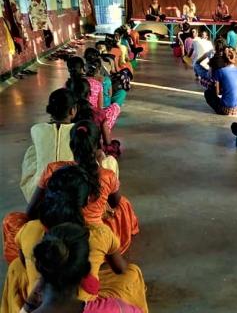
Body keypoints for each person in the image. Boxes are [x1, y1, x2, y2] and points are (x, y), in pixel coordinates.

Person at [26, 120, 139, 255]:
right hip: (95, 237)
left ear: (71, 145)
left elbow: (31, 211)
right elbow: (115, 203)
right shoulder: (107, 175)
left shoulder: (53, 169)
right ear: (99, 146)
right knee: (124, 204)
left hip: (58, 233)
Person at [16, 222, 145, 312]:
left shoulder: (29, 228)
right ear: (85, 271)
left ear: (40, 266)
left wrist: (26, 307)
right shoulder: (118, 309)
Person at [18, 89, 76, 203]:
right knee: (106, 161)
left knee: (32, 152)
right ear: (72, 111)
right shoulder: (80, 131)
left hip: (39, 196)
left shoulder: (36, 129)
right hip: (74, 196)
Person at [204, 48, 237, 116]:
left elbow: (218, 93)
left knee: (207, 93)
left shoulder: (220, 71)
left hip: (225, 110)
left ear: (224, 61)